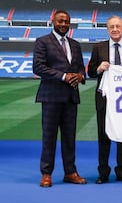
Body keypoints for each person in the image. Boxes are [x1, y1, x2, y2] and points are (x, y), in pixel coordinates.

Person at [33, 10, 87, 187]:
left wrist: (80, 76)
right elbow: (38, 67)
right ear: (53, 21)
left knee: (69, 138)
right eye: (60, 21)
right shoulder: (42, 42)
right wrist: (63, 76)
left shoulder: (75, 44)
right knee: (49, 137)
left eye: (66, 22)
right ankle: (46, 173)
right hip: (51, 97)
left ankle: (70, 172)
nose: (64, 24)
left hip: (71, 98)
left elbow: (80, 68)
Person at [87, 16, 122, 184]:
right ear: (107, 29)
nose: (115, 29)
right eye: (111, 26)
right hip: (104, 97)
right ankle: (103, 172)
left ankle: (121, 171)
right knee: (104, 135)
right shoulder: (98, 47)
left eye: (118, 26)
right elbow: (90, 72)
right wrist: (98, 68)